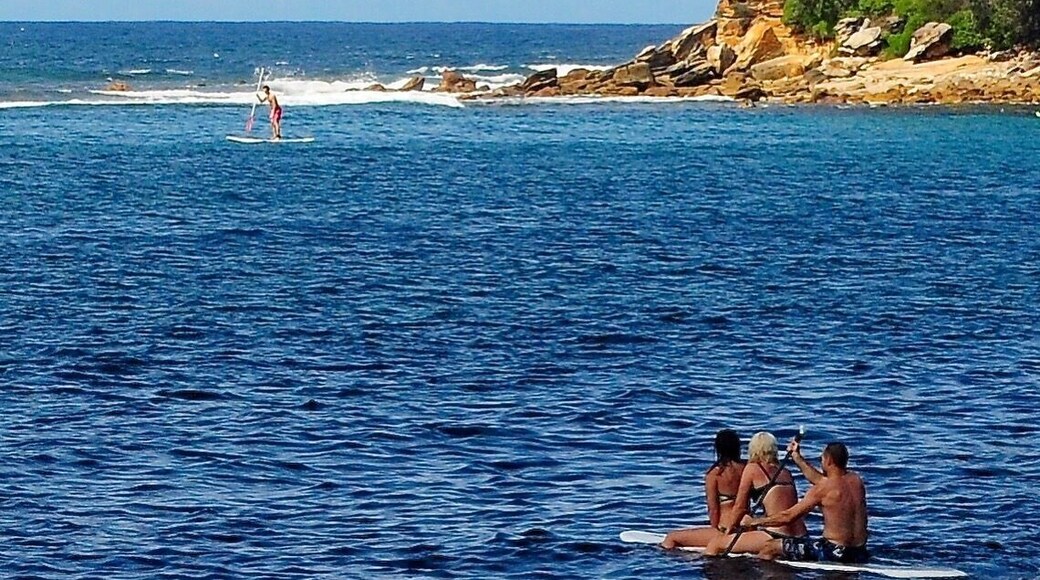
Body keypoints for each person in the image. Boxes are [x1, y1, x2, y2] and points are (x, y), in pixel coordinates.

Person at [745, 441, 869, 564]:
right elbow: (823, 480)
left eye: (822, 459)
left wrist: (755, 521)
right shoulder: (856, 480)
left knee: (770, 547)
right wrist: (797, 457)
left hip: (833, 552)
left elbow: (787, 517)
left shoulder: (822, 488)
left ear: (829, 461)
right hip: (860, 552)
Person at [704, 432, 808, 556]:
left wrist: (728, 531)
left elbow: (740, 507)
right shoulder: (785, 472)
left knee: (715, 544)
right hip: (802, 534)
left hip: (777, 534)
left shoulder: (753, 468)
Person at [661, 429, 745, 549]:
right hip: (745, 526)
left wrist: (714, 531)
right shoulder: (747, 469)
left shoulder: (714, 475)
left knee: (671, 537)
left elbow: (713, 509)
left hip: (724, 528)